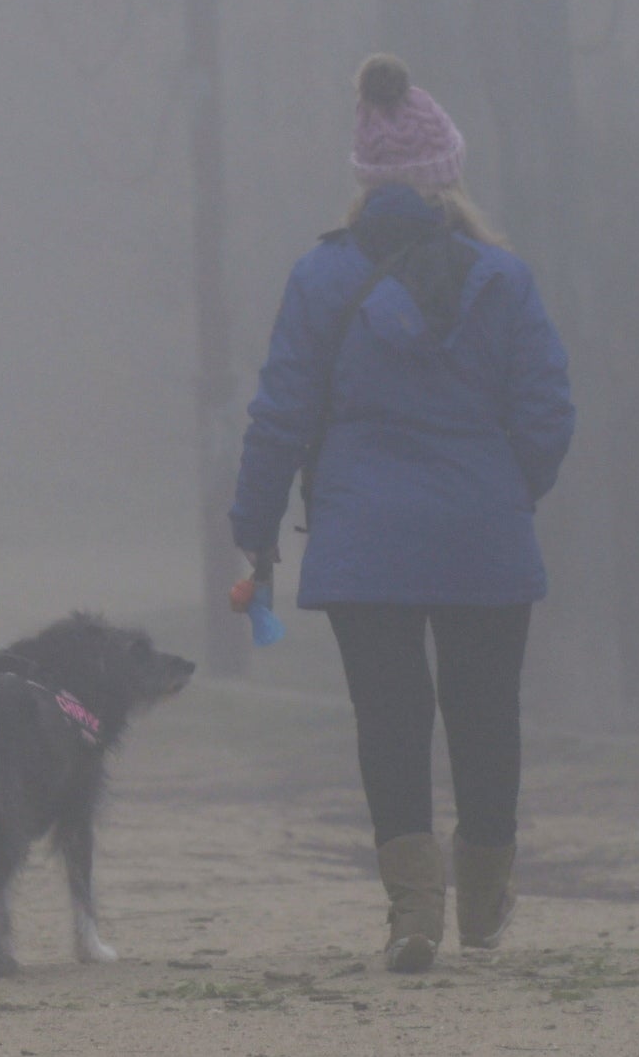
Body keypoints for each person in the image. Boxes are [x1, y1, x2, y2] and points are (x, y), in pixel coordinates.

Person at [227, 54, 575, 971]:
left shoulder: (320, 278)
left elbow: (281, 414)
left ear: (365, 182)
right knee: (484, 710)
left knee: (390, 717)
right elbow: (547, 413)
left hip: (364, 540)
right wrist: (510, 491)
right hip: (482, 533)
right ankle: (487, 896)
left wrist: (253, 527)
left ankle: (414, 911)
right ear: (447, 178)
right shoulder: (503, 279)